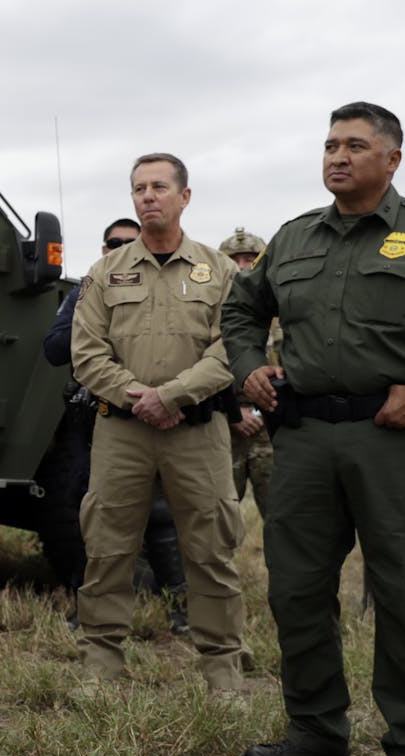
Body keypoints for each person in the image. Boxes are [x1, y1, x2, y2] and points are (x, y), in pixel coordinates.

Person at [225, 103, 405, 756]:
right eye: (330, 144)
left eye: (355, 145)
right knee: (296, 587)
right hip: (304, 437)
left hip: (393, 437)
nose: (337, 156)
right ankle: (316, 732)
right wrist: (249, 365)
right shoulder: (294, 237)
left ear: (392, 159)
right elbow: (241, 311)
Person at [70, 153, 245, 693]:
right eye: (139, 188)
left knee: (212, 550)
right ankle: (101, 669)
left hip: (197, 432)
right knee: (107, 547)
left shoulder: (220, 271)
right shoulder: (105, 272)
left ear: (184, 196)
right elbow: (86, 352)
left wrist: (172, 396)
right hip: (122, 432)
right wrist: (139, 398)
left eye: (160, 187)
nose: (148, 196)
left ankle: (222, 676)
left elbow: (232, 349)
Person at [43, 218, 188, 632]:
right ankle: (88, 605)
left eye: (130, 242)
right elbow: (53, 349)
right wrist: (94, 314)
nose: (121, 248)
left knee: (163, 516)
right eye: (113, 243)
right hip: (99, 420)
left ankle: (182, 609)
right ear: (104, 250)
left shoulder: (169, 289)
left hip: (161, 414)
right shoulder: (85, 292)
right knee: (90, 513)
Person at [218, 228, 278, 516]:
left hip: (274, 430)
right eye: (235, 259)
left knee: (282, 516)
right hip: (223, 432)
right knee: (219, 518)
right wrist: (232, 414)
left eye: (251, 259)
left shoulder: (284, 311)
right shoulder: (209, 316)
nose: (242, 266)